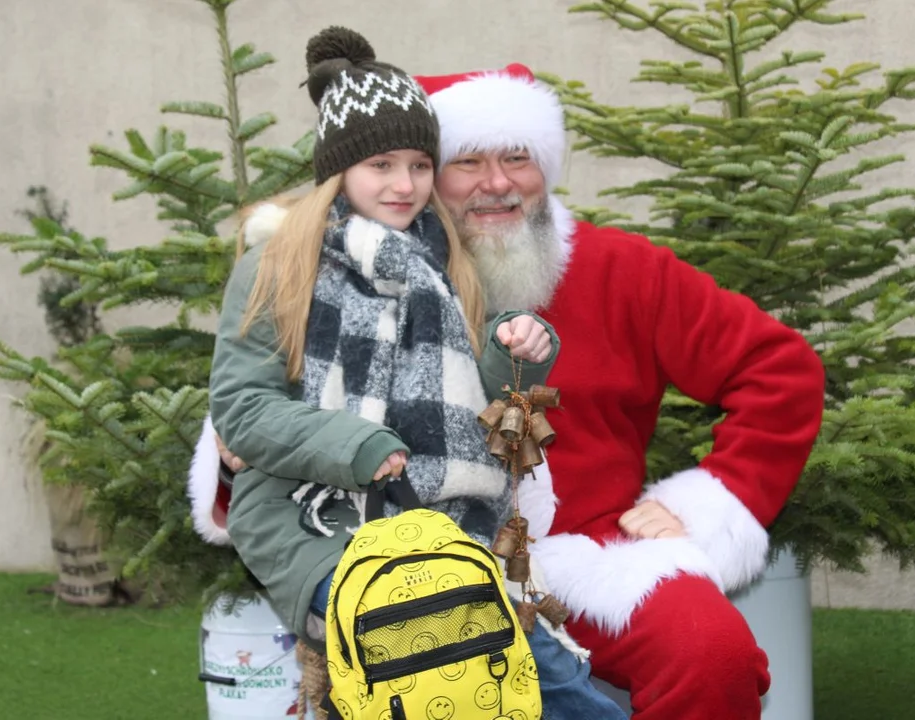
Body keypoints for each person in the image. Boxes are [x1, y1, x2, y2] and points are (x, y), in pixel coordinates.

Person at [195, 58, 825, 720]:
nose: (498, 183)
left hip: (589, 553)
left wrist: (708, 504)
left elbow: (779, 368)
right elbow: (271, 389)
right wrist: (229, 449)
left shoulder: (623, 269)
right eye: (468, 161)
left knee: (712, 652)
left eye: (518, 157)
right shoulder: (359, 270)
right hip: (434, 547)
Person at [199, 27, 629, 720]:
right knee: (422, 675)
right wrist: (356, 445)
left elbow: (481, 403)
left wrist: (512, 349)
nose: (405, 185)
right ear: (339, 170)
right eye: (382, 165)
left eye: (421, 165)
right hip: (314, 524)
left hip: (449, 528)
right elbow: (243, 409)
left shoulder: (448, 259)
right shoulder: (279, 265)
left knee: (552, 689)